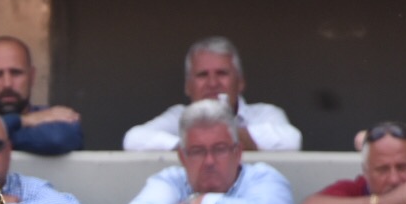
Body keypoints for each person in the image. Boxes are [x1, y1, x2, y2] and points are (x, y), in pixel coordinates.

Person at [121, 99, 292, 204]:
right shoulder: (172, 180)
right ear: (183, 157)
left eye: (220, 149)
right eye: (197, 151)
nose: (209, 161)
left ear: (237, 152)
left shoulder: (265, 179)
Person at [124, 37, 301, 152]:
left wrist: (220, 134)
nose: (212, 83)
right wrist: (193, 145)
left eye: (222, 73)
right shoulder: (178, 115)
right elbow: (133, 139)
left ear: (240, 82)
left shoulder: (265, 113)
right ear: (187, 86)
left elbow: (292, 141)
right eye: (202, 75)